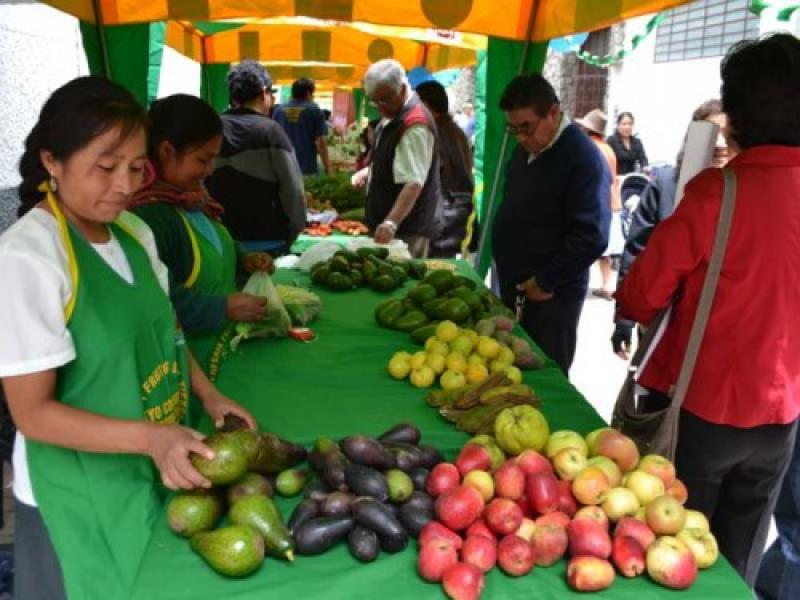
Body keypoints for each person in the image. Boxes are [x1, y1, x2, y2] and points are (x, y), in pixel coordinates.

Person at [0, 77, 256, 600]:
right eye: (105, 166)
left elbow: (170, 331)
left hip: (148, 473)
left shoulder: (134, 234)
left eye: (137, 168)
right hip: (72, 494)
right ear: (54, 161)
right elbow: (33, 415)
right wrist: (150, 437)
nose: (123, 185)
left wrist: (210, 396)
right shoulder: (28, 259)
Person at [616, 34, 800, 587]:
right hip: (782, 416)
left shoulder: (717, 192)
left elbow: (638, 297)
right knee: (738, 560)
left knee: (676, 556)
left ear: (734, 116)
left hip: (703, 410)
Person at [131, 94, 274, 377]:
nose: (209, 170)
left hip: (223, 356)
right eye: (203, 159)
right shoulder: (152, 218)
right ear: (167, 151)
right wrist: (221, 308)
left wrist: (244, 257)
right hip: (186, 369)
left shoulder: (192, 200)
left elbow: (211, 241)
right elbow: (157, 300)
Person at [492, 74, 610, 375]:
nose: (520, 138)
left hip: (551, 294)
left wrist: (546, 280)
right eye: (513, 129)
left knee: (546, 373)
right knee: (510, 369)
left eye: (526, 128)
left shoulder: (582, 157)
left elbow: (592, 234)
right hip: (517, 286)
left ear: (553, 112)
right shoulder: (527, 150)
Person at [611, 99, 730, 359]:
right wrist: (624, 319)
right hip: (659, 323)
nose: (720, 143)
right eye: (712, 132)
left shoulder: (749, 192)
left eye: (726, 133)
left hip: (716, 331)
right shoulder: (666, 184)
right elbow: (636, 251)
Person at [205, 60, 306, 256]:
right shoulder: (271, 131)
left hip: (218, 238)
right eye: (271, 93)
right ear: (263, 92)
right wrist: (295, 228)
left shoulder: (212, 127)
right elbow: (293, 189)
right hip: (266, 240)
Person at [351, 59, 442, 258]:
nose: (379, 107)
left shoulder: (415, 125)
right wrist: (369, 171)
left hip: (406, 231)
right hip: (392, 227)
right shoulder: (394, 113)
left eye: (383, 100)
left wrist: (391, 222)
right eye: (374, 101)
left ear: (401, 90)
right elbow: (398, 161)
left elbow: (414, 182)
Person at [416, 80, 474, 258]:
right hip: (455, 213)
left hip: (442, 214)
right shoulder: (455, 131)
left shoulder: (436, 133)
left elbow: (425, 176)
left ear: (426, 104)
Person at [575, 109, 622, 300]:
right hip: (612, 201)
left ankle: (606, 285)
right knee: (605, 251)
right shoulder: (608, 148)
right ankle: (607, 284)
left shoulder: (589, 148)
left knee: (595, 246)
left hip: (598, 202)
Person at [272, 78, 331, 176]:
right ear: (308, 93)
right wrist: (328, 170)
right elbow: (321, 142)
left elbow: (272, 139)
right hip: (307, 168)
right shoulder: (314, 110)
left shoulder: (278, 111)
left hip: (282, 167)